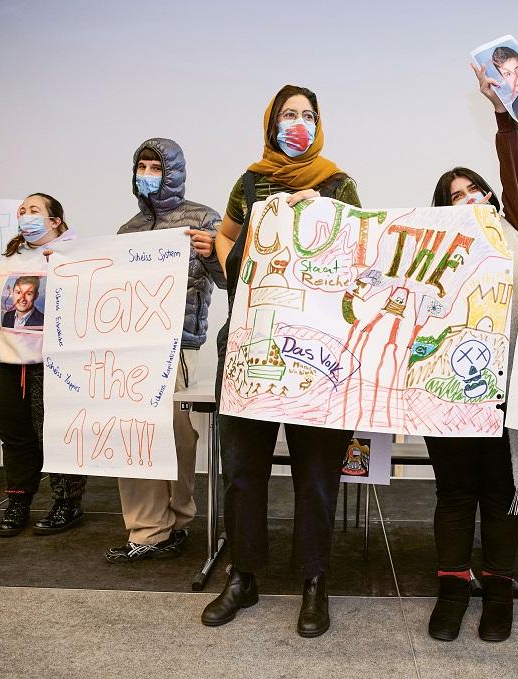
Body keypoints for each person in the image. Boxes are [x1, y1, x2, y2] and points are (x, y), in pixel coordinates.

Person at [195, 85, 360, 639]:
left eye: (308, 115)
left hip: (315, 351)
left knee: (316, 474)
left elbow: (360, 253)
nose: (298, 123)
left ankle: (315, 581)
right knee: (244, 471)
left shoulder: (339, 183)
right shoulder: (249, 182)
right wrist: (235, 268)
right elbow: (225, 235)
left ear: (321, 123)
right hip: (250, 343)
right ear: (271, 123)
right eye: (289, 115)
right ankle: (244, 576)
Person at [423, 62, 518, 644]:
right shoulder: (428, 250)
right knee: (455, 495)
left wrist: (504, 112)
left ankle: (498, 588)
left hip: (509, 395)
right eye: (454, 196)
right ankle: (453, 587)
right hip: (450, 393)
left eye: (474, 189)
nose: (468, 198)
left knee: (502, 496)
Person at [104, 138, 225, 564]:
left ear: (172, 171)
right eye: (143, 165)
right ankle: (146, 529)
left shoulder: (204, 218)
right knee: (133, 434)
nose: (148, 173)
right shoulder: (128, 231)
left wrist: (212, 255)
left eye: (156, 166)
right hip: (132, 347)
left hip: (177, 345)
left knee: (176, 437)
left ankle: (179, 517)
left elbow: (231, 279)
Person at [0, 193, 86, 537]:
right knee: (14, 437)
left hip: (51, 364)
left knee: (56, 436)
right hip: (7, 361)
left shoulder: (73, 254)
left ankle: (67, 502)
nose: (26, 216)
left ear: (55, 220)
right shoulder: (9, 259)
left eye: (34, 210)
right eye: (22, 211)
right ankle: (18, 501)